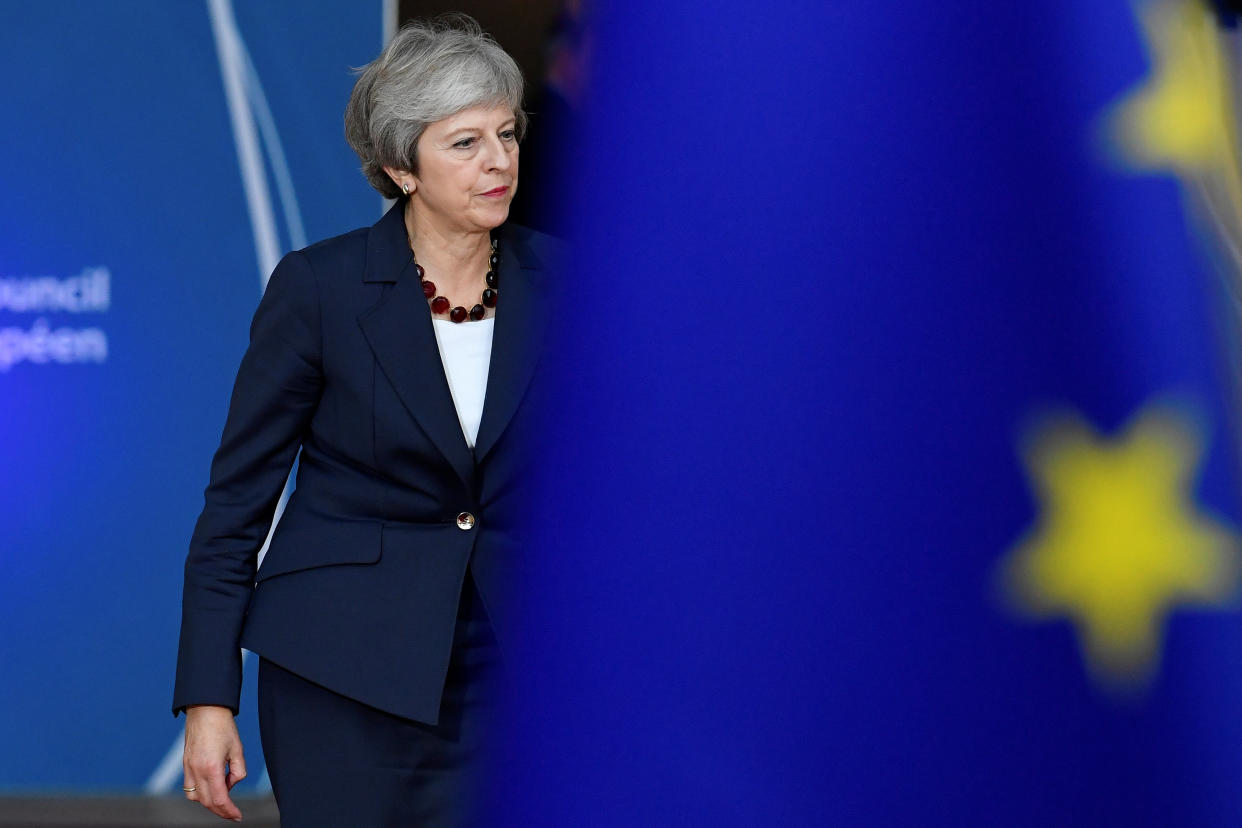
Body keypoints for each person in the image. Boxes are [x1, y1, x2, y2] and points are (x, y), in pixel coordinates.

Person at [172, 15, 558, 826]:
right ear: (399, 166)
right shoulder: (320, 288)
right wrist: (209, 698)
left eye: (506, 133)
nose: (498, 162)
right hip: (340, 674)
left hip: (519, 670)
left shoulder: (571, 282)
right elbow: (236, 504)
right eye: (464, 143)